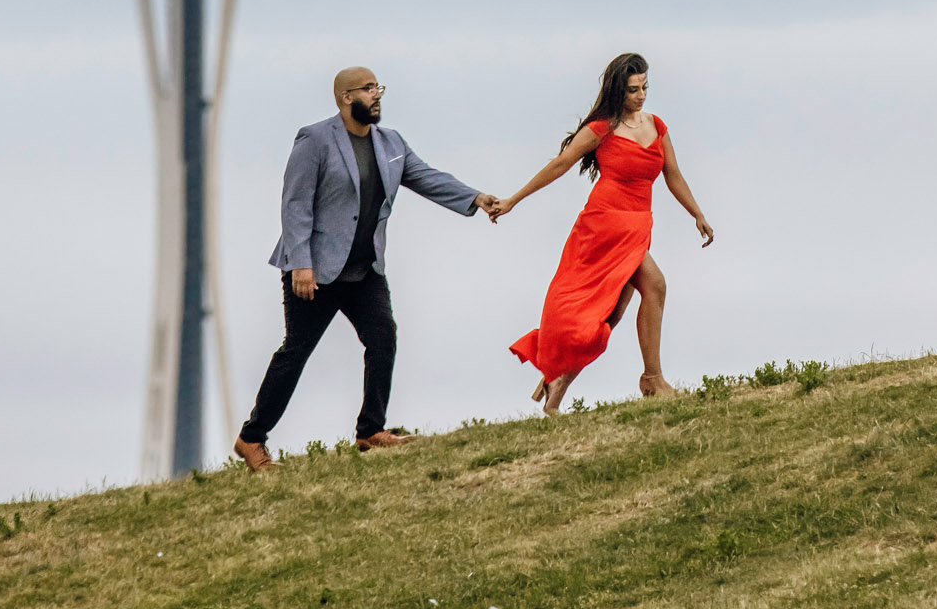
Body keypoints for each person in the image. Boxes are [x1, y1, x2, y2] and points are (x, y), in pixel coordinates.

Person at [233, 66, 500, 470]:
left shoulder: (391, 142)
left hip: (364, 269)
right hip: (317, 271)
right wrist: (301, 265)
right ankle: (251, 439)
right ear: (345, 98)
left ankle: (370, 431)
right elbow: (295, 204)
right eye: (368, 89)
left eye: (379, 88)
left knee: (383, 338)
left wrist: (475, 198)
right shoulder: (315, 140)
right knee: (296, 352)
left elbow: (426, 177)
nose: (377, 95)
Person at [491, 52, 714, 414]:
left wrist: (697, 213)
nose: (641, 96)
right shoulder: (602, 129)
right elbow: (560, 163)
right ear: (617, 91)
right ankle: (653, 380)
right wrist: (514, 199)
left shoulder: (657, 126)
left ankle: (555, 388)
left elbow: (673, 175)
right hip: (604, 227)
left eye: (645, 87)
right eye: (632, 90)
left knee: (607, 317)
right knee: (655, 285)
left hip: (637, 225)